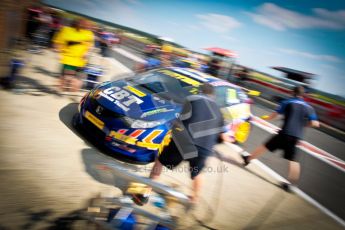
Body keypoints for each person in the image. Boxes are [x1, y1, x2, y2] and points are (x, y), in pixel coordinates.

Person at [131, 84, 231, 205]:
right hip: (204, 148)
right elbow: (224, 137)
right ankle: (194, 199)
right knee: (198, 174)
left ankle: (144, 194)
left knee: (160, 162)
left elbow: (180, 119)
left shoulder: (193, 99)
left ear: (200, 91)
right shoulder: (219, 111)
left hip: (185, 139)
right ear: (213, 96)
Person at [242, 86, 319, 191]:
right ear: (303, 95)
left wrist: (266, 117)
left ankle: (248, 159)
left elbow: (274, 115)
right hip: (296, 136)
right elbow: (315, 123)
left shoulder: (287, 102)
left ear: (293, 92)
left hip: (284, 133)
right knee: (293, 160)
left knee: (265, 146)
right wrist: (303, 125)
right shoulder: (309, 107)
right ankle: (292, 185)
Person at [53, 19, 94, 92]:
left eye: (86, 23)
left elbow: (90, 46)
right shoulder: (66, 30)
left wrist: (87, 53)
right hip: (69, 59)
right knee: (67, 78)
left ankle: (68, 91)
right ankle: (63, 90)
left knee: (75, 79)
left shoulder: (88, 33)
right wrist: (59, 51)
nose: (84, 25)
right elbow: (58, 42)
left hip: (79, 60)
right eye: (82, 22)